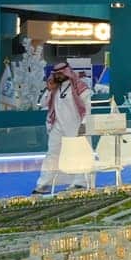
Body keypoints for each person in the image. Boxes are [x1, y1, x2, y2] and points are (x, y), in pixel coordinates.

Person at [34, 63, 92, 193]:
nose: (58, 76)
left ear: (67, 72)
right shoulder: (55, 88)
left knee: (78, 154)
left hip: (76, 126)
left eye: (60, 73)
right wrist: (49, 89)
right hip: (57, 126)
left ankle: (80, 183)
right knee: (52, 154)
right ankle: (44, 183)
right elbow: (42, 103)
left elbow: (87, 108)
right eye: (56, 74)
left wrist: (84, 124)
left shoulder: (80, 87)